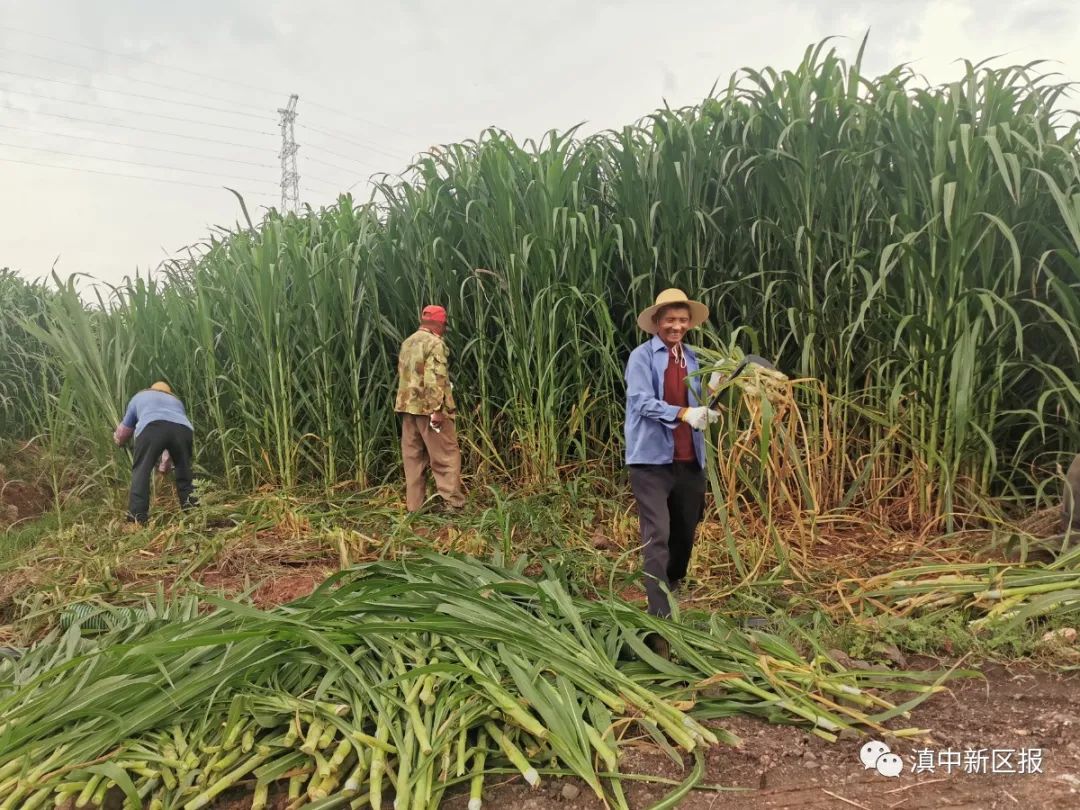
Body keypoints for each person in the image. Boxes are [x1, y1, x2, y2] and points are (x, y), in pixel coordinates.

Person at [625, 289, 722, 640]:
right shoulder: (642, 357)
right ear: (656, 323)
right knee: (657, 535)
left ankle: (674, 582)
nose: (676, 326)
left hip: (689, 458)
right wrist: (683, 413)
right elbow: (640, 402)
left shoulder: (693, 358)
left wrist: (709, 402)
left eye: (682, 320)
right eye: (670, 320)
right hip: (651, 460)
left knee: (686, 528)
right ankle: (659, 614)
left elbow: (699, 401)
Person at [394, 305, 466, 513]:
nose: (444, 329)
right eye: (444, 325)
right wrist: (437, 410)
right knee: (445, 455)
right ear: (439, 323)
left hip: (408, 409)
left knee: (413, 458)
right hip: (428, 410)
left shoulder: (408, 342)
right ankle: (452, 504)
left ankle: (414, 507)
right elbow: (434, 377)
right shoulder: (435, 343)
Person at [112, 381, 196, 524]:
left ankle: (137, 518)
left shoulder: (140, 396)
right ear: (168, 392)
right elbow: (170, 432)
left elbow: (124, 432)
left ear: (151, 389)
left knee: (141, 471)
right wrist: (165, 464)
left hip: (152, 426)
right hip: (184, 430)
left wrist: (118, 440)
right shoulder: (177, 401)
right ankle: (193, 515)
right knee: (184, 473)